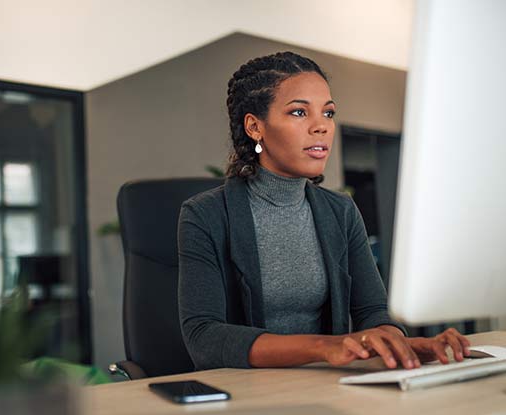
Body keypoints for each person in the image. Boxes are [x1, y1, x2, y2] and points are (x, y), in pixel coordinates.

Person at [178, 52, 470, 371]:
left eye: (328, 113)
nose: (321, 127)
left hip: (327, 385)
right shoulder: (205, 215)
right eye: (299, 112)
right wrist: (322, 346)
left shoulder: (340, 211)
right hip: (248, 396)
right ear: (254, 127)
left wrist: (397, 345)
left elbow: (372, 311)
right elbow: (204, 337)